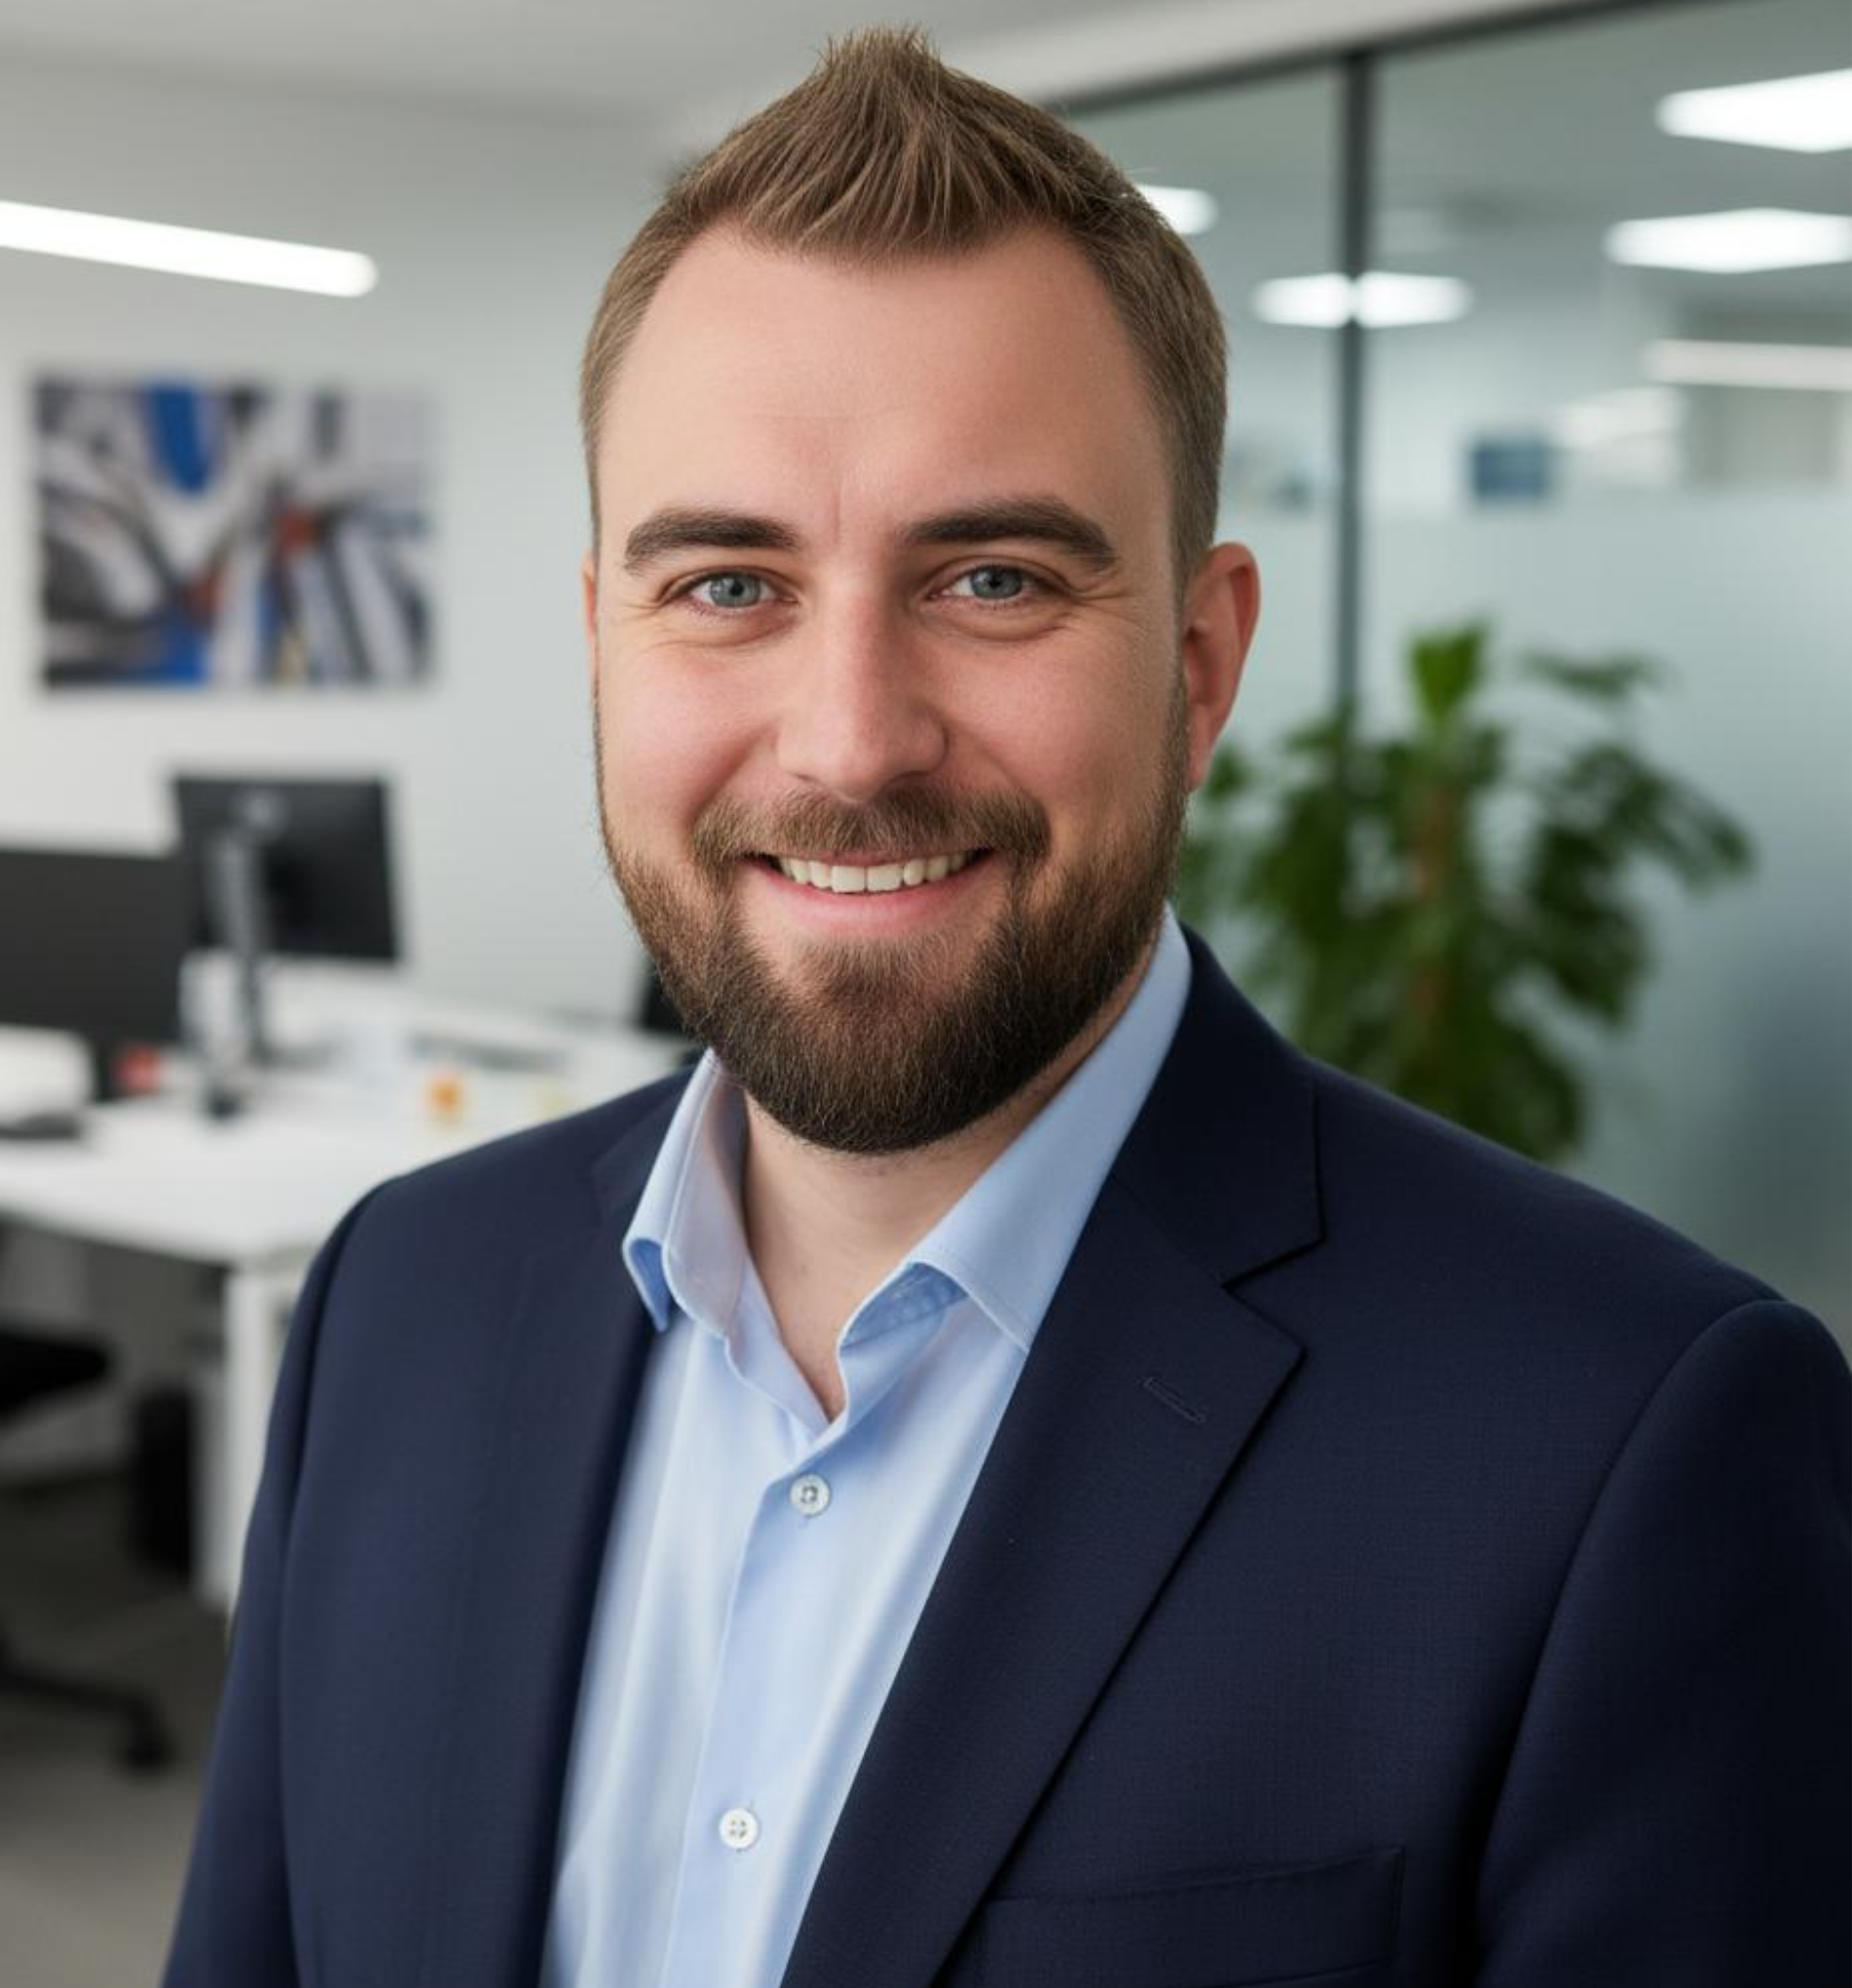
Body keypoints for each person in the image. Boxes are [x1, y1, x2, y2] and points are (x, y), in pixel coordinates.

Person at [163, 29, 1852, 1988]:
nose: (853, 738)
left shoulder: (1625, 1441)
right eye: (727, 584)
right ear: (603, 647)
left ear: (1202, 669)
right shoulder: (403, 1297)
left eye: (990, 577)